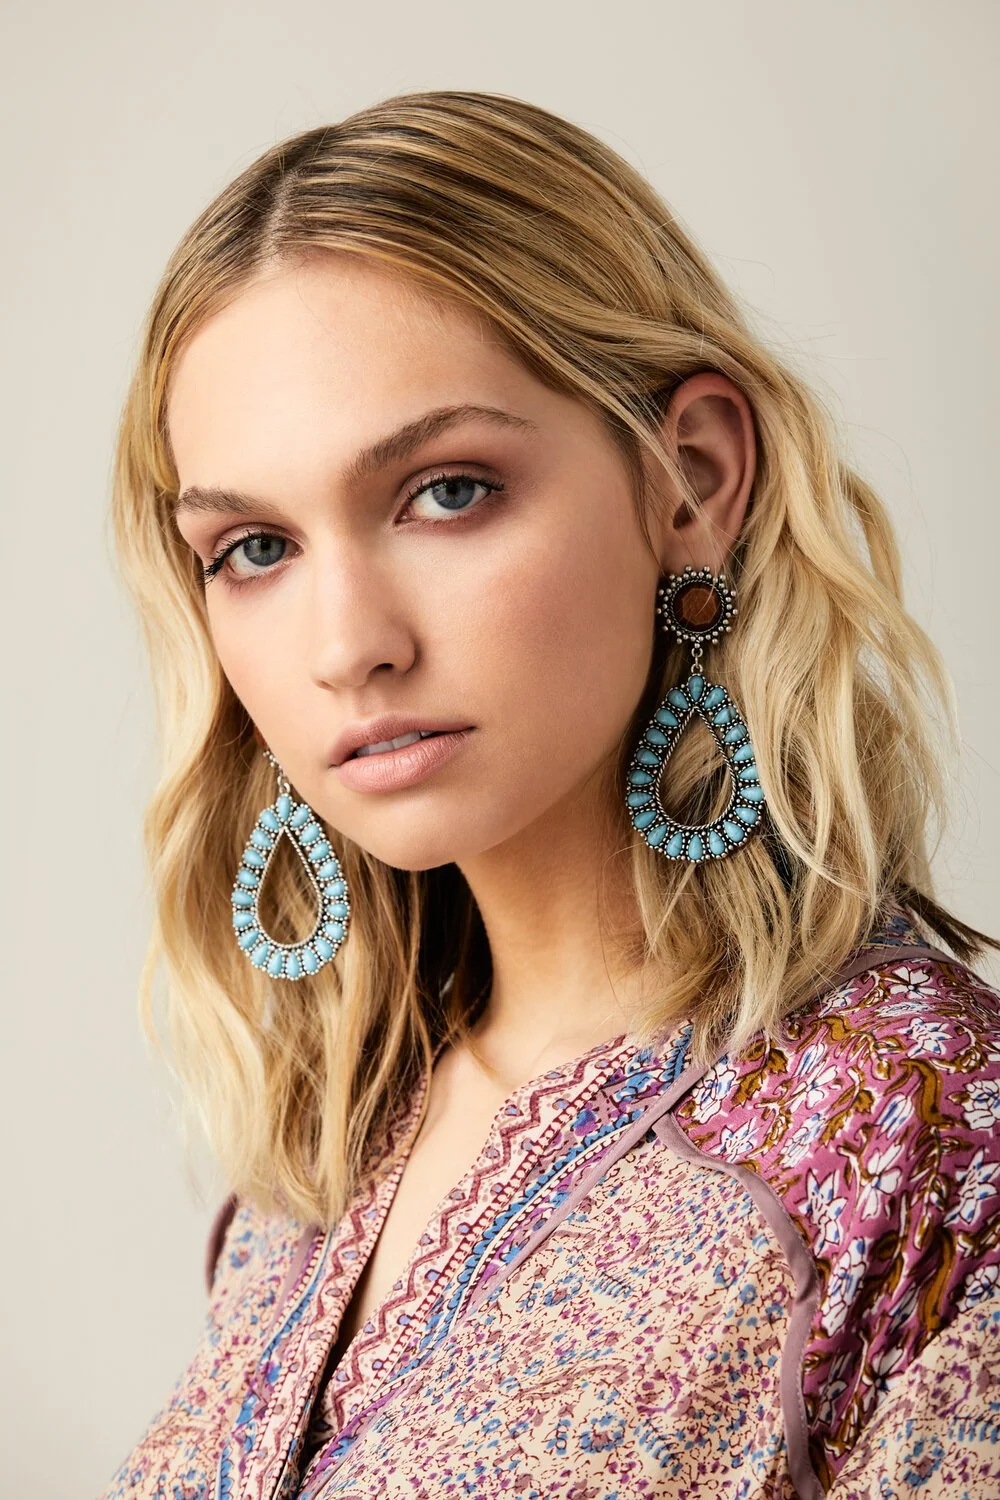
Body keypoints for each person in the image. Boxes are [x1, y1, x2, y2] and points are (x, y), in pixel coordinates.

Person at [100, 90, 1000, 1499]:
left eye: (447, 492)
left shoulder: (927, 1136)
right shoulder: (313, 1171)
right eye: (256, 547)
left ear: (692, 480)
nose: (350, 646)